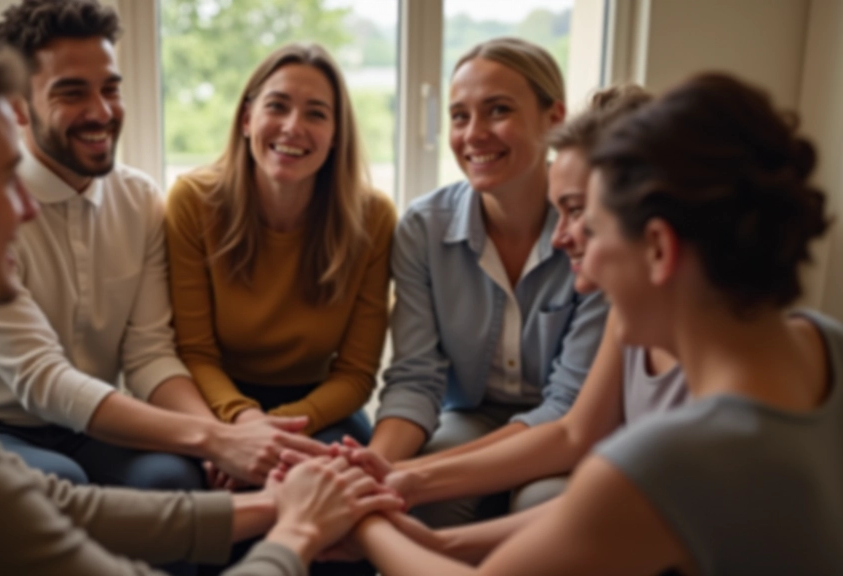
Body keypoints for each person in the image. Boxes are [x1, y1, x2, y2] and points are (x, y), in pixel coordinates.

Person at [0, 14, 403, 575]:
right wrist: (295, 528)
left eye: (111, 88)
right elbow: (44, 391)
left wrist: (275, 505)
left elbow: (73, 503)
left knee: (160, 480)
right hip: (10, 419)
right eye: (2, 178)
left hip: (93, 431)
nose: (25, 207)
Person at [352, 73, 843, 575]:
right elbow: (580, 456)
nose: (565, 241)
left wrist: (358, 521)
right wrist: (430, 525)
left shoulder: (671, 461)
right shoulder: (829, 343)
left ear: (659, 248)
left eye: (592, 224)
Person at [0, 0, 325, 490]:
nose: (101, 112)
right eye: (72, 93)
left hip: (96, 424)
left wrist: (219, 439)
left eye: (110, 89)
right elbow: (41, 379)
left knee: (173, 477)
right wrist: (212, 438)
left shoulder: (139, 199)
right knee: (59, 482)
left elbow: (149, 354)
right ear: (17, 105)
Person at [347, 85, 686, 522]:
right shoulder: (629, 316)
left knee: (538, 501)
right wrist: (394, 480)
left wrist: (387, 492)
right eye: (458, 115)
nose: (559, 238)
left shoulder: (703, 351)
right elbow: (572, 433)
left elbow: (571, 429)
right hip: (485, 419)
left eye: (577, 211)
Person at [368, 36, 608, 527]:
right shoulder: (423, 228)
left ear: (554, 117)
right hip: (470, 416)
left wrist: (421, 472)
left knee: (544, 503)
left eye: (498, 110)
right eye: (460, 117)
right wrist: (372, 467)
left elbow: (569, 407)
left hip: (567, 424)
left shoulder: (594, 227)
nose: (474, 134)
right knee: (425, 504)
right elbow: (416, 379)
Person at [165, 42, 395, 445]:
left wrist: (276, 430)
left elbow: (356, 374)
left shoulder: (372, 218)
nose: (292, 126)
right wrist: (241, 424)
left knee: (341, 474)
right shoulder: (193, 202)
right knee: (173, 477)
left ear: (336, 134)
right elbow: (194, 353)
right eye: (277, 106)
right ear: (246, 119)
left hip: (319, 407)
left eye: (316, 114)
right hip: (212, 400)